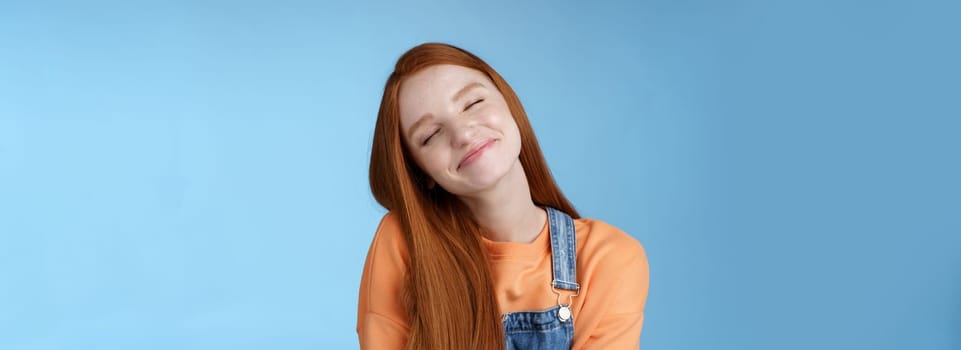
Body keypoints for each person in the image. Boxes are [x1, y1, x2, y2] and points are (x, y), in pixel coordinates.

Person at [357, 42, 650, 349]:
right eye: (431, 135)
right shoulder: (404, 242)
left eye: (472, 103)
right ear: (422, 174)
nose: (464, 134)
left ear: (509, 103)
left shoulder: (607, 258)